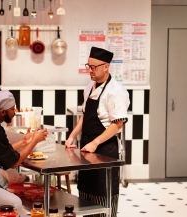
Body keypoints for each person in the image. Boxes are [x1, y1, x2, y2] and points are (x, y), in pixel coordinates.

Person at [65, 47, 130, 217]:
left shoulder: (115, 91)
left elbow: (117, 125)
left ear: (106, 66)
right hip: (88, 148)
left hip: (105, 150)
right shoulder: (89, 87)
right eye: (89, 66)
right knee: (86, 192)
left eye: (94, 67)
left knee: (103, 193)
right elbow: (85, 116)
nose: (90, 71)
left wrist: (95, 143)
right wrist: (72, 136)